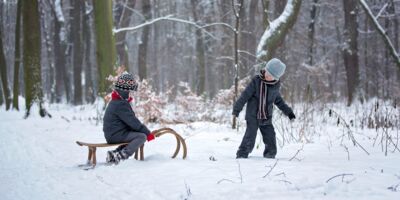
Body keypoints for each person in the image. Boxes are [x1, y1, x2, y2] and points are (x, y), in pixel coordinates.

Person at [232, 58, 295, 159]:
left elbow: (279, 101)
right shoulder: (256, 82)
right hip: (253, 116)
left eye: (270, 76)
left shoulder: (275, 87)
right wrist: (237, 109)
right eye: (266, 72)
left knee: (270, 136)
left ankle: (270, 155)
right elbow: (245, 95)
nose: (267, 76)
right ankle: (242, 154)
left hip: (266, 116)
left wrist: (289, 113)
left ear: (276, 78)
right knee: (250, 136)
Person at [103, 72, 155, 164]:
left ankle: (114, 154)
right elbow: (133, 122)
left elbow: (129, 122)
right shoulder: (120, 104)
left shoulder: (117, 101)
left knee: (136, 135)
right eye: (129, 91)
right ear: (125, 90)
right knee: (141, 137)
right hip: (115, 135)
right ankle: (121, 156)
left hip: (114, 133)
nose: (130, 94)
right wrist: (147, 133)